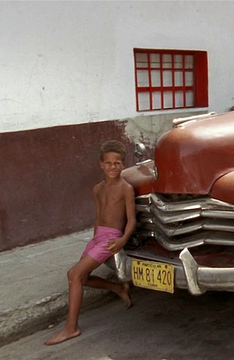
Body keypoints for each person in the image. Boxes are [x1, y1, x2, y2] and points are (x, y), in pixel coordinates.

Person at [45, 140, 136, 346]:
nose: (113, 167)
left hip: (112, 238)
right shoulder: (97, 189)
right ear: (101, 164)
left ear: (123, 165)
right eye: (109, 163)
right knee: (82, 277)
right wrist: (94, 239)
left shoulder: (126, 189)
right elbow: (97, 217)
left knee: (73, 274)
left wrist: (122, 241)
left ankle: (71, 328)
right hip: (98, 237)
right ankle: (118, 289)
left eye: (118, 163)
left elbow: (131, 220)